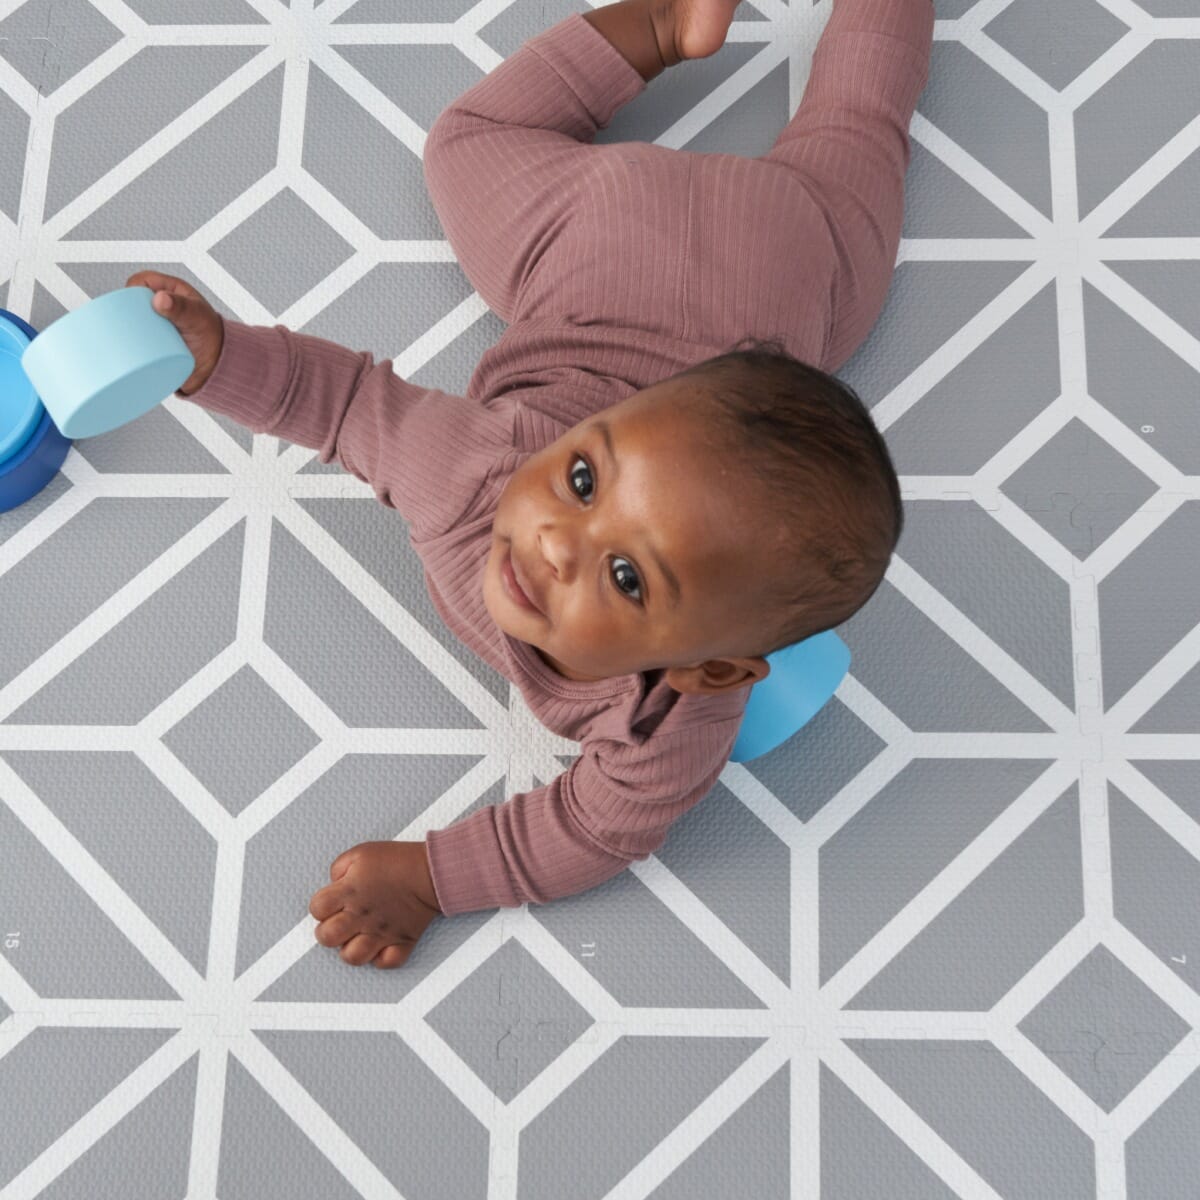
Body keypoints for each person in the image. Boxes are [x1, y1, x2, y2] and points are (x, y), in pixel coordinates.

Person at [125, 0, 934, 967]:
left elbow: (592, 831)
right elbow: (334, 400)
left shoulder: (679, 725)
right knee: (480, 141)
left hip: (783, 262)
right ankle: (661, 27)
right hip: (613, 236)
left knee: (848, 122)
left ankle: (665, 29)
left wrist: (441, 873)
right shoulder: (474, 469)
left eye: (628, 578)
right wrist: (215, 359)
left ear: (715, 670)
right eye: (585, 476)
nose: (555, 539)